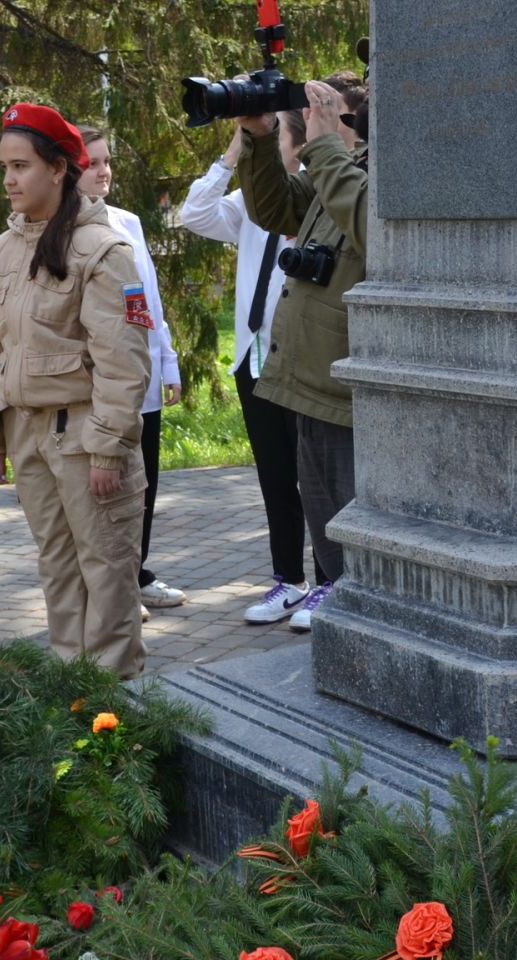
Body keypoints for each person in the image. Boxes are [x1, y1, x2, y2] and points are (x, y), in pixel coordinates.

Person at [0, 103, 151, 677]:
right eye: (4, 167)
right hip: (27, 433)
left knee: (107, 565)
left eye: (20, 166)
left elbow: (123, 360)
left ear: (57, 170)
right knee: (57, 564)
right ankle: (73, 691)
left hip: (83, 434)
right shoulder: (3, 250)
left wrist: (107, 446)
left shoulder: (104, 250)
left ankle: (115, 703)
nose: (8, 180)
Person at [181, 108, 325, 625]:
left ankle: (329, 583)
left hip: (303, 361)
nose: (264, 139)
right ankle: (288, 580)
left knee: (317, 480)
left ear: (296, 141)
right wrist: (233, 153)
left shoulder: (319, 197)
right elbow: (193, 215)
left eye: (273, 132)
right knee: (275, 478)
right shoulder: (250, 202)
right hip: (254, 361)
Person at [237, 71, 368, 633]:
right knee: (329, 535)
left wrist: (325, 145)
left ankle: (358, 632)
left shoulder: (374, 169)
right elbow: (273, 208)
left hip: (345, 388)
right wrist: (260, 135)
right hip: (310, 379)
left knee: (352, 540)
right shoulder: (347, 168)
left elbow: (371, 224)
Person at [77, 126, 185, 617]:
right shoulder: (61, 231)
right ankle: (107, 587)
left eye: (106, 161)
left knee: (145, 481)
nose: (102, 172)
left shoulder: (128, 222)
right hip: (95, 382)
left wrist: (167, 363)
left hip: (139, 378)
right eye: (91, 163)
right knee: (102, 486)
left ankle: (136, 574)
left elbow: (148, 303)